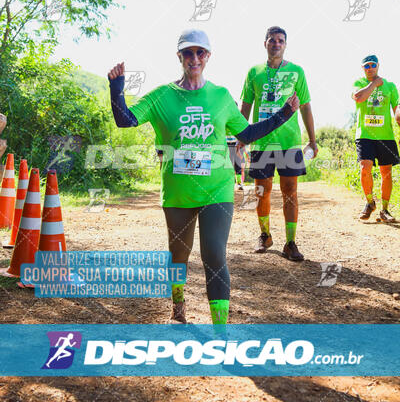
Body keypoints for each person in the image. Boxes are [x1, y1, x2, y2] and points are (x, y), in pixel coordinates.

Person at [108, 29, 299, 325]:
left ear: (208, 56)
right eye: (188, 52)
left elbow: (246, 133)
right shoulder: (162, 96)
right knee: (179, 256)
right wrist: (116, 87)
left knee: (214, 254)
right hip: (178, 192)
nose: (194, 58)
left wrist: (284, 115)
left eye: (200, 52)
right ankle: (179, 304)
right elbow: (125, 120)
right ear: (179, 57)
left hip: (217, 190)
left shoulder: (221, 97)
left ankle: (220, 332)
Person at [239, 26, 318, 262]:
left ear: (285, 45)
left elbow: (305, 107)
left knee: (290, 192)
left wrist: (313, 141)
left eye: (281, 40)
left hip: (289, 143)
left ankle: (290, 242)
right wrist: (241, 138)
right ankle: (265, 235)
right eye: (272, 40)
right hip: (261, 142)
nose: (276, 44)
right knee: (262, 192)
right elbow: (245, 107)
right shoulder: (254, 72)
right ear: (265, 43)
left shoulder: (296, 72)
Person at [352, 55, 400, 222]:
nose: (370, 67)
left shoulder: (391, 86)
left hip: (385, 136)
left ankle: (385, 210)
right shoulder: (359, 83)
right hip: (365, 135)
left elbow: (397, 107)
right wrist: (374, 84)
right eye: (366, 65)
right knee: (365, 168)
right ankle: (370, 202)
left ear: (378, 65)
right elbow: (359, 98)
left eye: (373, 64)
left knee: (386, 172)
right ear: (363, 68)